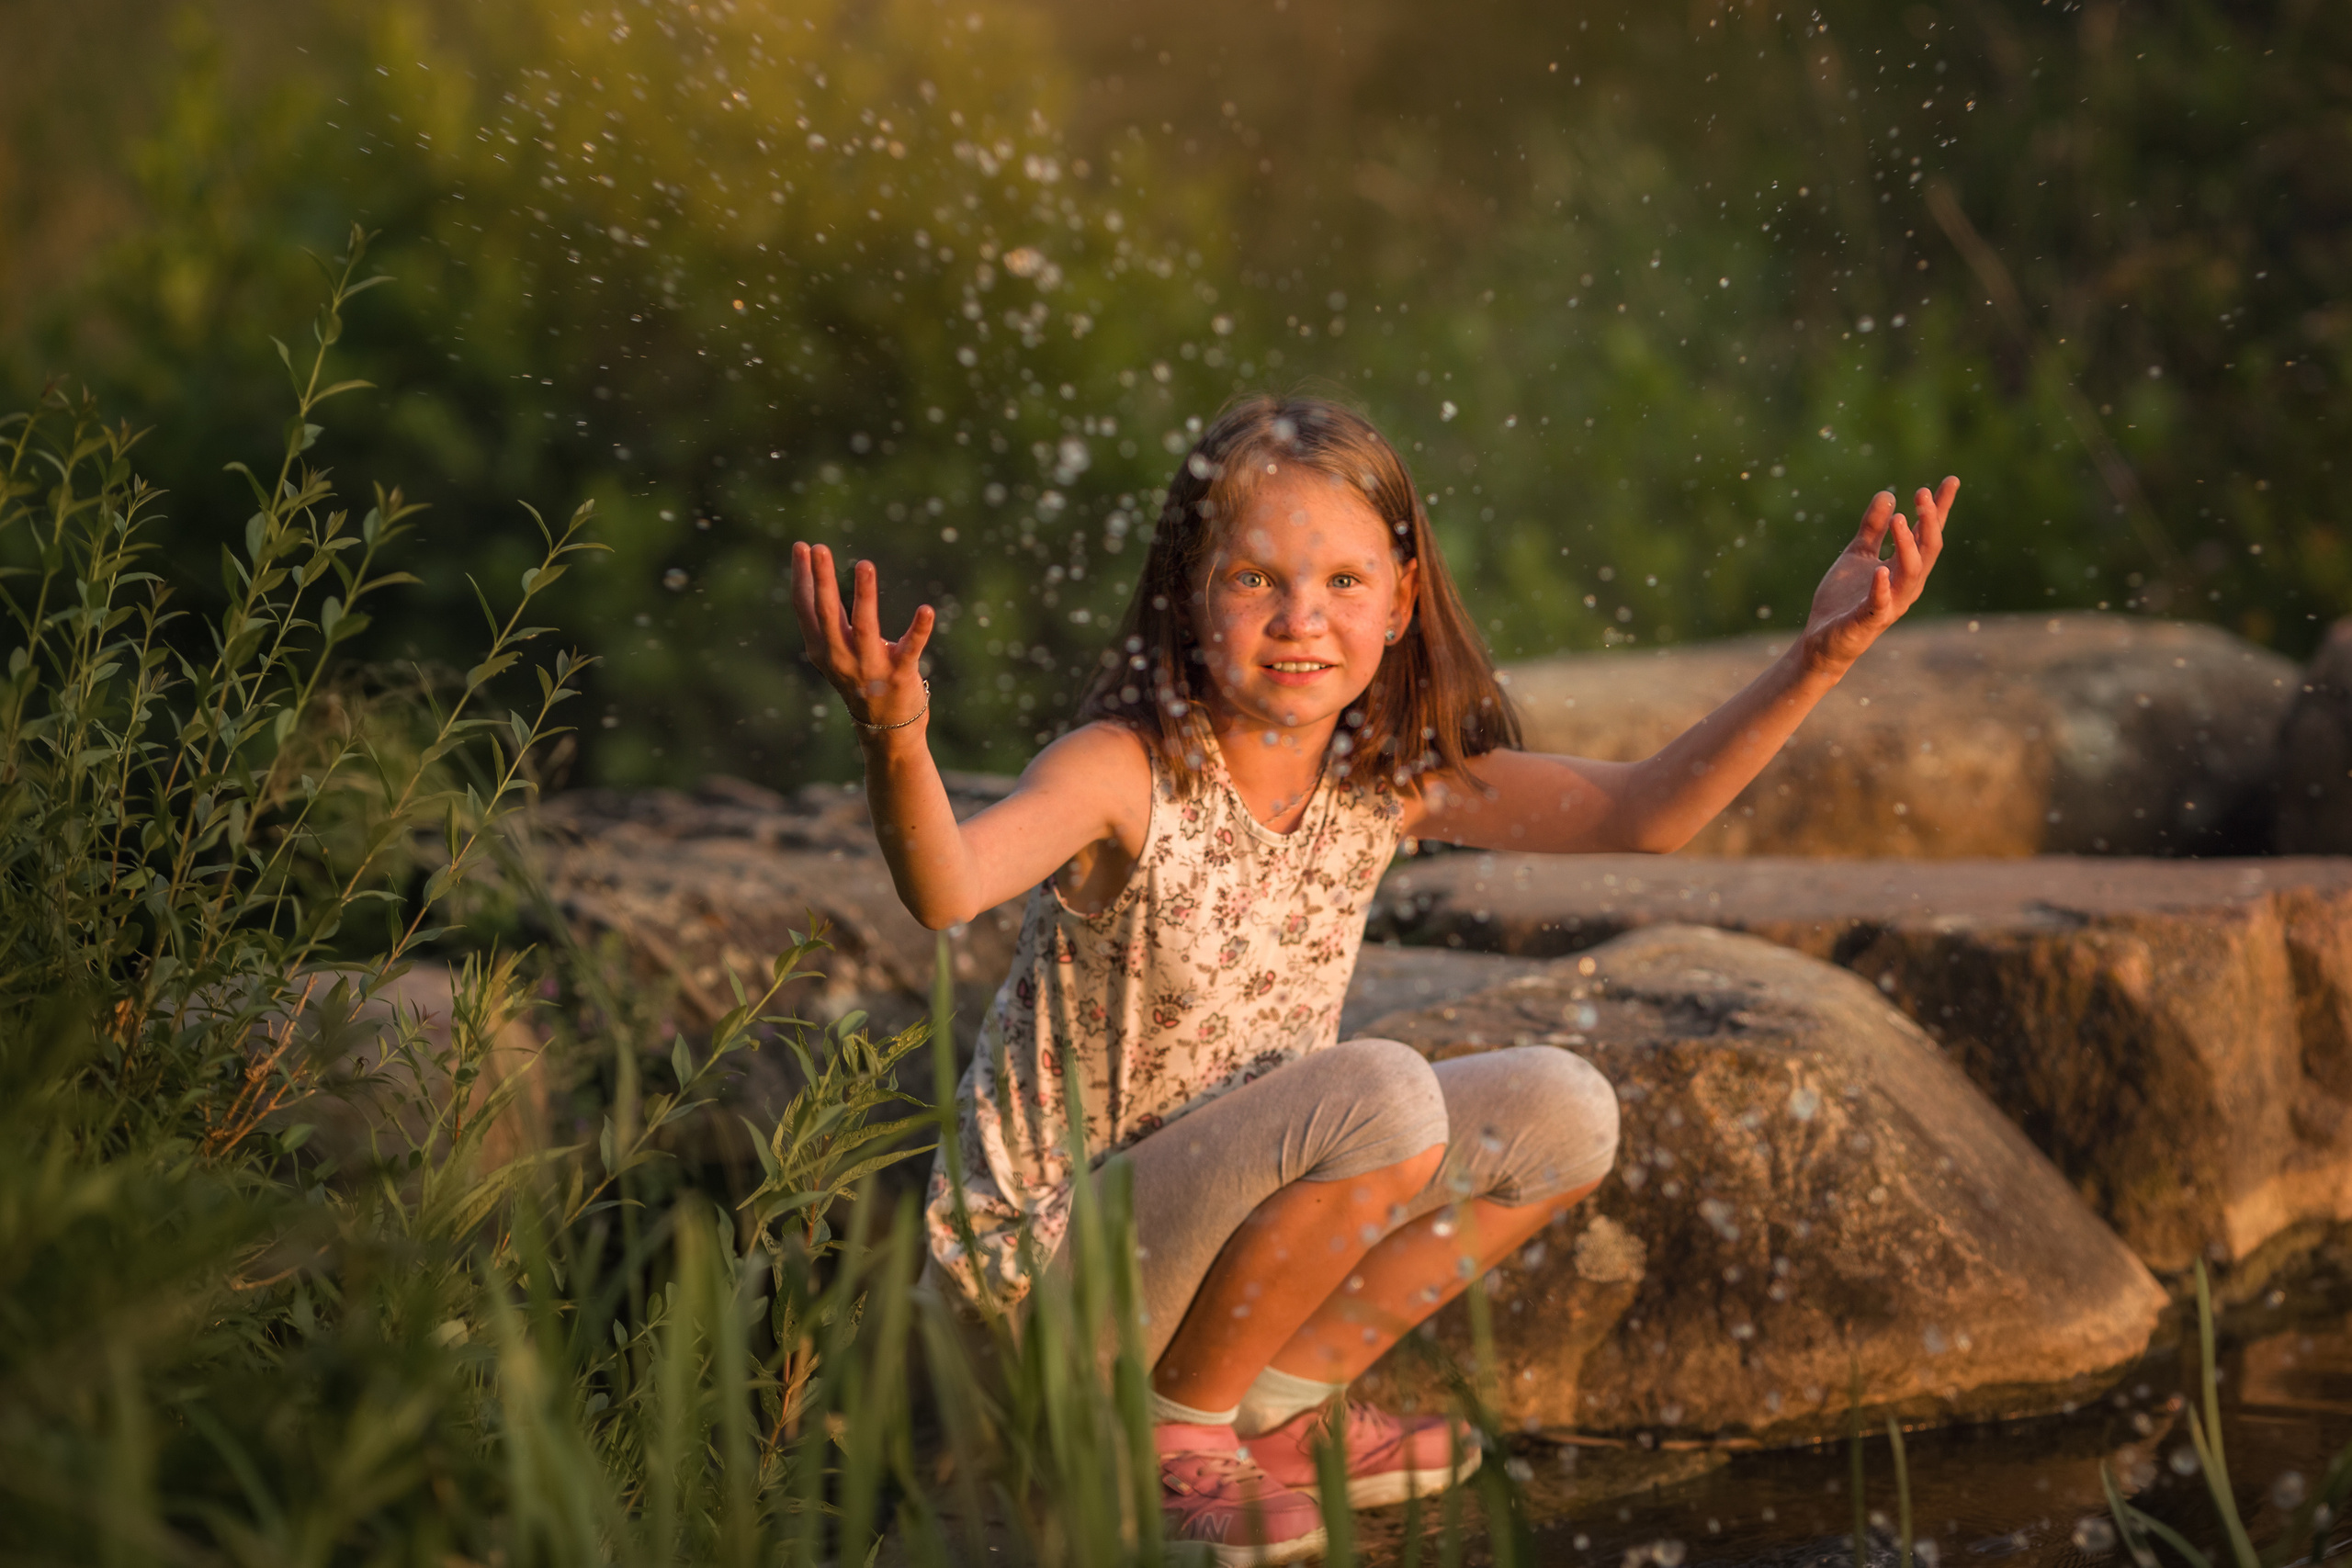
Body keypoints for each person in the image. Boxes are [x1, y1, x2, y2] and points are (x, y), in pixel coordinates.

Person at [791, 394, 1955, 1565]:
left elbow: (1645, 813)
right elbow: (945, 889)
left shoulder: (1381, 777)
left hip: (1205, 1241)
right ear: (1187, 596)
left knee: (1563, 1110)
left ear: (1401, 601)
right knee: (1385, 1093)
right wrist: (898, 739)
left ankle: (1271, 1405)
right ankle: (1169, 1433)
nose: (1302, 620)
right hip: (1041, 1281)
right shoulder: (1121, 772)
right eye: (1255, 580)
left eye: (1345, 582)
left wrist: (1818, 660)